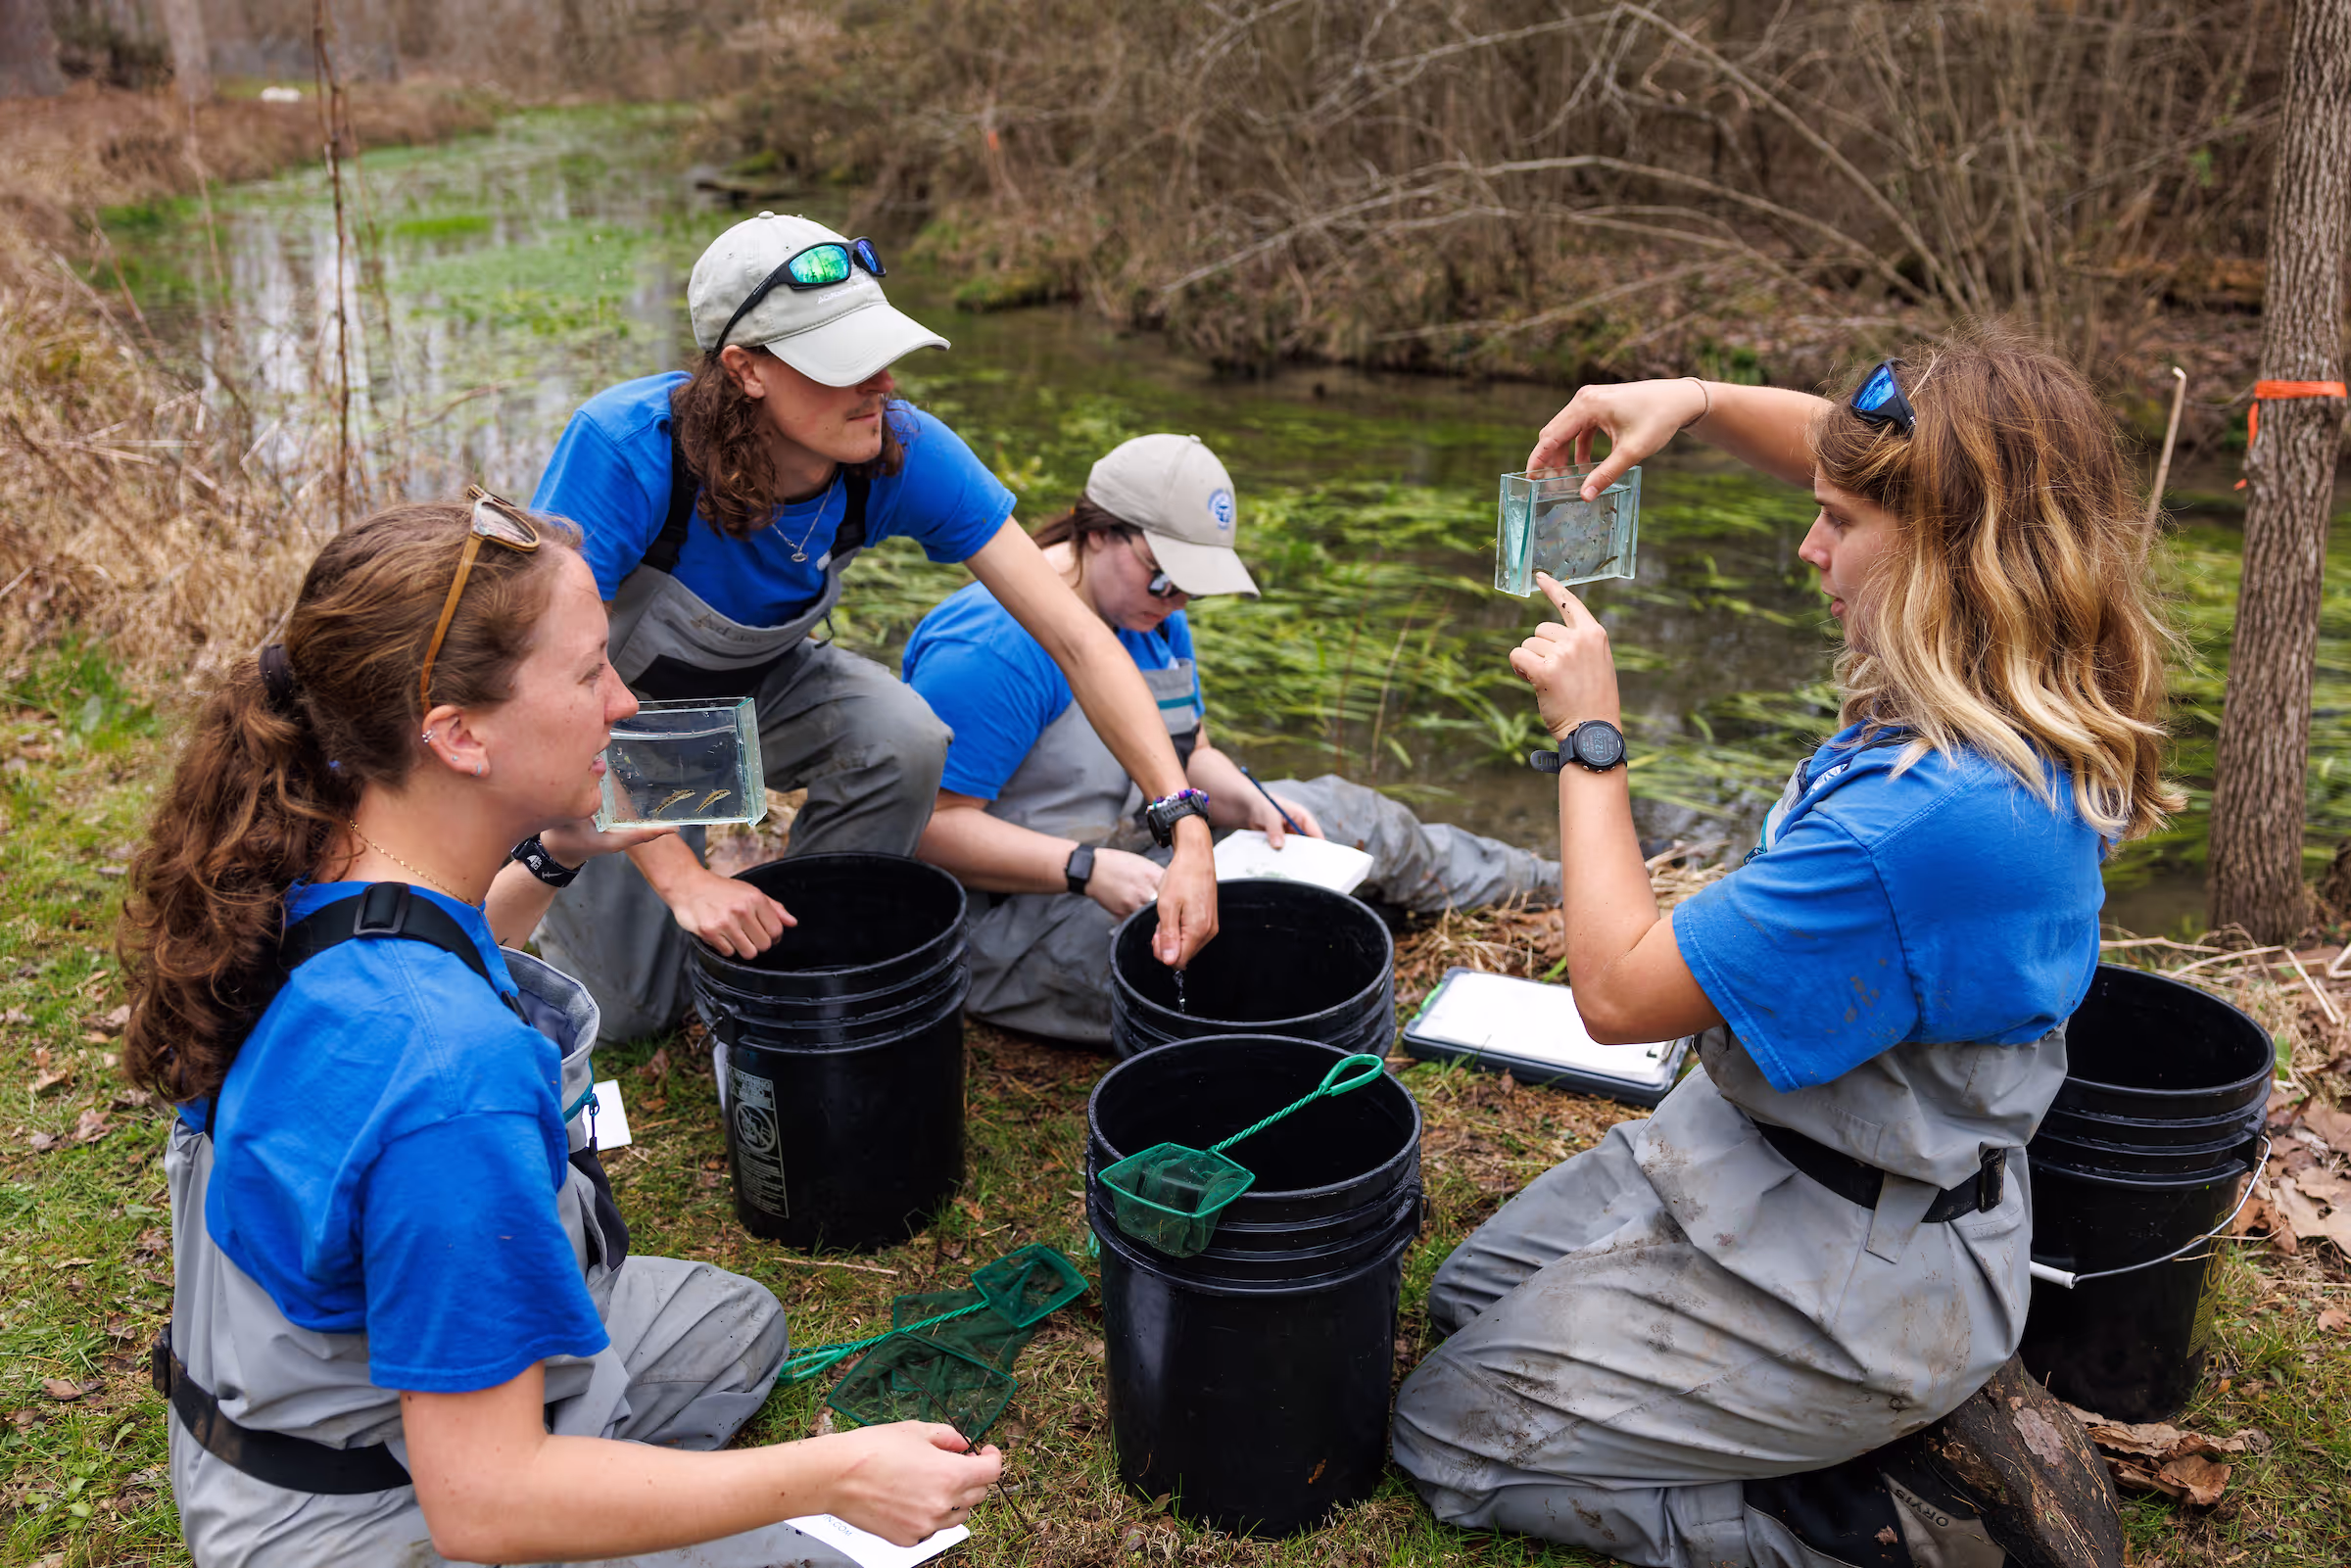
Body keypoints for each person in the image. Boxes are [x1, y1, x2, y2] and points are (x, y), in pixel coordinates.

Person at [1391, 343, 2172, 1568]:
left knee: (1445, 1434)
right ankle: (1836, 1416)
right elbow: (1845, 440)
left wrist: (1593, 736)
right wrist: (1689, 403)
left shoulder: (1924, 823)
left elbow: (1614, 991)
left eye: (1838, 523)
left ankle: (1880, 1527)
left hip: (1857, 1260)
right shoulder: (2030, 679)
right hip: (1770, 1153)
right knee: (1463, 1301)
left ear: (1949, 551)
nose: (1809, 548)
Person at [118, 497, 1000, 1567]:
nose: (626, 702)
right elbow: (485, 1506)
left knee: (732, 1327)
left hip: (262, 1420)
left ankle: (587, 1455)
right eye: (590, 674)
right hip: (354, 1520)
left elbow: (422, 955)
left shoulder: (304, 862)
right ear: (456, 734)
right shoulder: (448, 1073)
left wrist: (557, 852)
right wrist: (835, 1473)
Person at [530, 213, 1216, 1043]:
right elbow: (545, 685)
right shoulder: (626, 448)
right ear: (745, 369)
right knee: (632, 1011)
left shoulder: (897, 448)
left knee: (903, 734)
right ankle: (540, 864)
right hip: (616, 709)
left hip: (762, 689)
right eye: (843, 364)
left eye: (882, 351)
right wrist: (679, 872)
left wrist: (1182, 823)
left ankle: (806, 932)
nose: (882, 383)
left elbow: (1077, 637)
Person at [902, 433, 1561, 1045]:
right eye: (1164, 577)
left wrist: (1246, 803)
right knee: (1239, 950)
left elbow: (1192, 753)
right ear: (1098, 530)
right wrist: (1086, 869)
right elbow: (929, 831)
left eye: (1193, 586)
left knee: (1354, 816)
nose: (1177, 600)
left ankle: (1549, 884)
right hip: (1021, 913)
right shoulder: (990, 648)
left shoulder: (1151, 616)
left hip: (1142, 848)